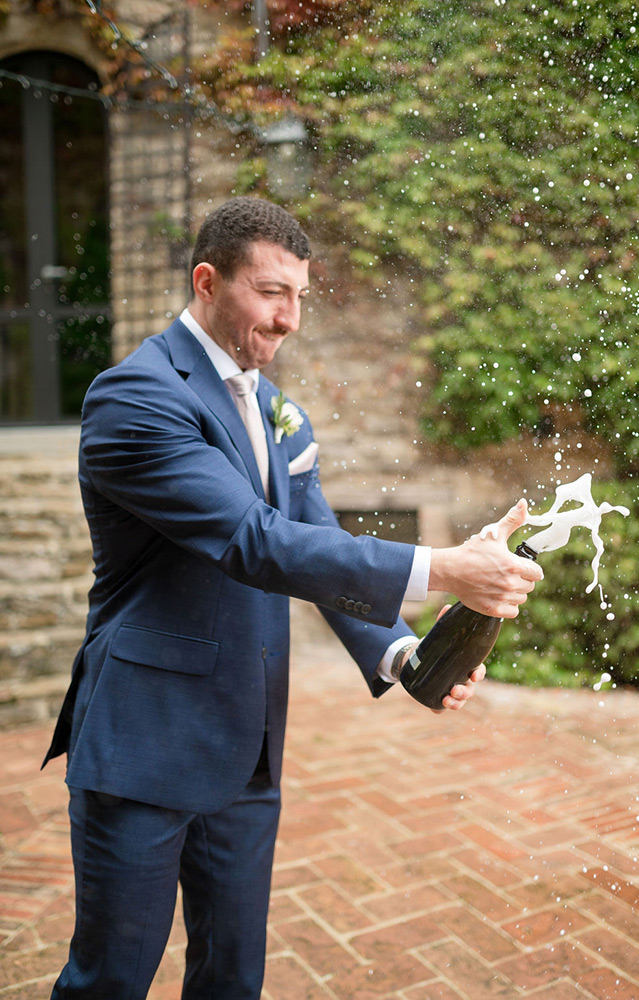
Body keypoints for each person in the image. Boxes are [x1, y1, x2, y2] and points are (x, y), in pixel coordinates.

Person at [43, 196, 542, 999]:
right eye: (271, 293)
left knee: (234, 978)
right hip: (146, 739)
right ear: (207, 282)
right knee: (109, 979)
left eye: (301, 296)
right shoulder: (133, 398)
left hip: (248, 743)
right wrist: (444, 567)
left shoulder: (278, 409)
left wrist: (404, 651)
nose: (289, 321)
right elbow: (255, 541)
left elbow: (314, 541)